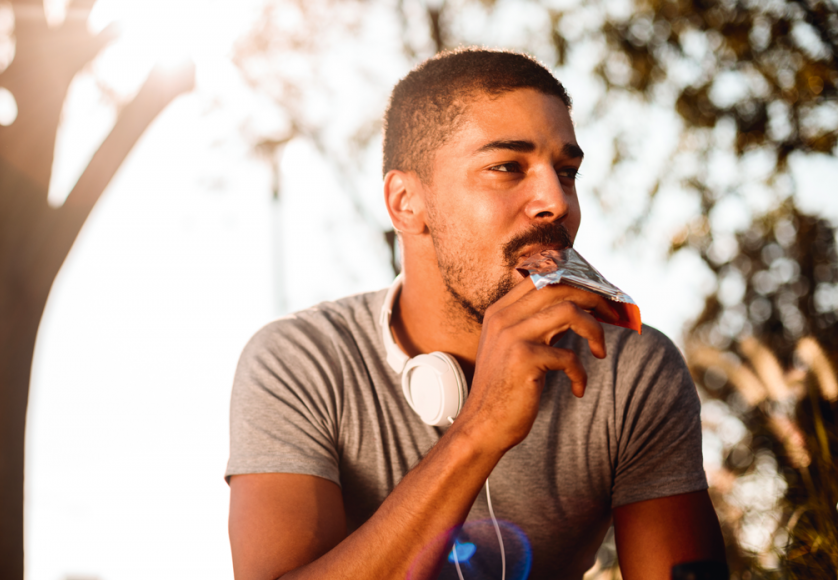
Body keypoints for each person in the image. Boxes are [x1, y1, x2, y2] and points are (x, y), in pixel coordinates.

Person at [225, 48, 726, 580]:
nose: (555, 202)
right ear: (406, 203)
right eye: (507, 167)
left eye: (567, 172)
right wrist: (480, 429)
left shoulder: (631, 369)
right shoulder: (299, 362)